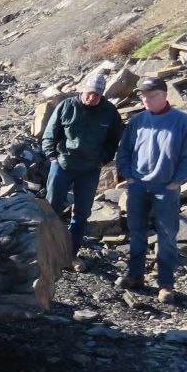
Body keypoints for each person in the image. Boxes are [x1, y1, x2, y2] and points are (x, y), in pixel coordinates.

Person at [115, 76, 187, 304]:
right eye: (142, 96)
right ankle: (135, 276)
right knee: (136, 232)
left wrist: (177, 181)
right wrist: (129, 176)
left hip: (166, 188)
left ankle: (165, 284)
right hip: (138, 186)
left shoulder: (182, 122)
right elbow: (123, 151)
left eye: (150, 96)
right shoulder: (137, 121)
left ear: (164, 95)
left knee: (167, 236)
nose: (145, 100)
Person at [41, 73, 123, 271]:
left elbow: (113, 141)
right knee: (52, 210)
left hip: (89, 170)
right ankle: (46, 253)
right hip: (62, 165)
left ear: (102, 95)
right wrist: (52, 157)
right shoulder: (67, 106)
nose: (92, 98)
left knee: (81, 214)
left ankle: (71, 255)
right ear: (82, 90)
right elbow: (49, 134)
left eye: (96, 95)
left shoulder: (109, 112)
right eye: (89, 93)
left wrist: (102, 161)